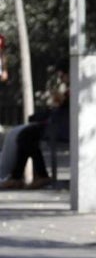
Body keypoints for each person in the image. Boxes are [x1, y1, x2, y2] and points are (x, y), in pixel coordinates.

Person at [0, 61, 68, 190]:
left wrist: (60, 102)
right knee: (26, 136)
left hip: (61, 127)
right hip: (58, 124)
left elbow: (64, 111)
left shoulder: (73, 89)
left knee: (27, 135)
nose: (61, 79)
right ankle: (18, 177)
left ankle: (24, 176)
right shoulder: (69, 89)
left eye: (62, 76)